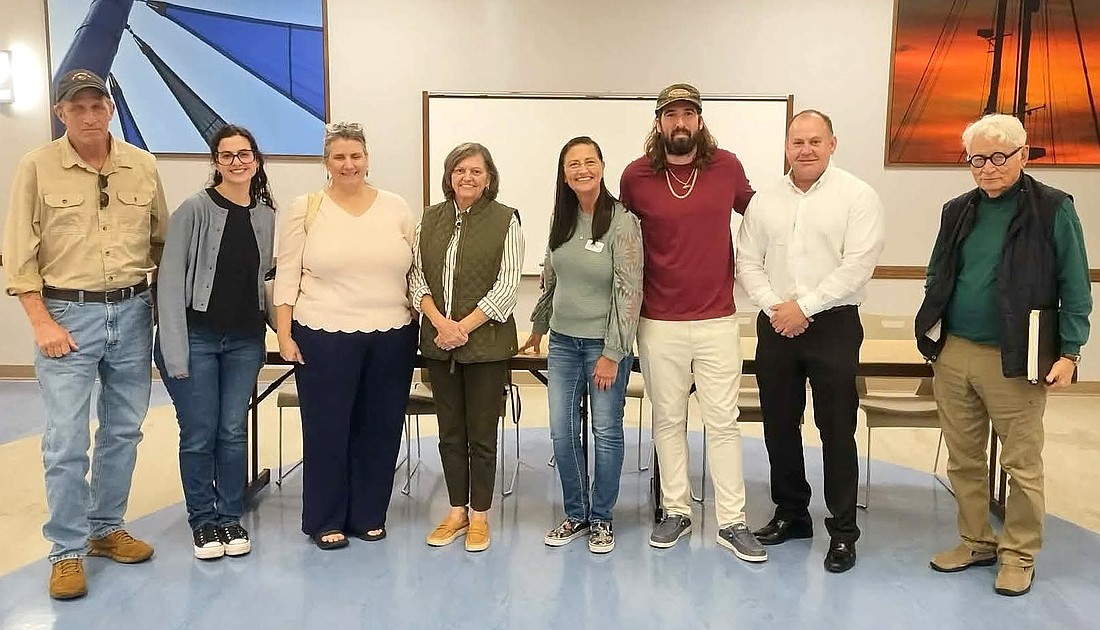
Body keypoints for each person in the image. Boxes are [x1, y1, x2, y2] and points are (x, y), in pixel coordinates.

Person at [3, 69, 167, 599]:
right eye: (78, 108)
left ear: (111, 108)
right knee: (67, 441)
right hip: (66, 318)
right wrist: (40, 320)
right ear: (61, 113)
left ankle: (105, 528)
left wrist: (163, 310)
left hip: (133, 313)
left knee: (124, 431)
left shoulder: (141, 166)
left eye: (98, 105)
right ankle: (67, 550)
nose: (90, 115)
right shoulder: (37, 167)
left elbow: (162, 243)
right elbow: (18, 253)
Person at [915, 113, 1091, 596]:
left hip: (1017, 359)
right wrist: (934, 334)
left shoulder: (1053, 209)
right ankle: (975, 541)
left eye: (998, 157)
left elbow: (1075, 284)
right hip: (954, 353)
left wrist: (1070, 351)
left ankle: (1018, 554)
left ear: (1022, 152)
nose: (987, 168)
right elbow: (938, 272)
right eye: (976, 159)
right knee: (963, 459)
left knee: (1020, 464)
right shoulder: (957, 210)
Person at [618, 83, 765, 562]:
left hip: (718, 319)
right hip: (657, 321)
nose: (679, 123)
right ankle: (676, 510)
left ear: (699, 121)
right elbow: (622, 242)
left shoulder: (727, 167)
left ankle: (732, 521)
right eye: (671, 115)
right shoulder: (635, 177)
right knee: (668, 420)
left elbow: (764, 219)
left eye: (688, 114)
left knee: (723, 422)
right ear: (659, 123)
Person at [735, 109, 885, 574]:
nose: (805, 149)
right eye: (797, 142)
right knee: (779, 424)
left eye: (815, 141)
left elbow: (857, 265)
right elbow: (747, 260)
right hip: (776, 323)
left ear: (832, 144)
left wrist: (806, 306)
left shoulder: (858, 196)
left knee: (835, 428)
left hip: (834, 325)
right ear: (786, 147)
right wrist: (776, 307)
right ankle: (792, 514)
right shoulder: (765, 201)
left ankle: (842, 531)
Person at [273, 122, 419, 550]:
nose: (348, 164)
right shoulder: (307, 207)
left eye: (356, 156)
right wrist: (284, 334)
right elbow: (286, 276)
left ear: (368, 159)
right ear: (327, 162)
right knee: (327, 429)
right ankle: (325, 518)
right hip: (323, 334)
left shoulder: (396, 208)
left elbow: (415, 271)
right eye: (339, 157)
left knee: (380, 428)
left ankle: (369, 513)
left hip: (392, 335)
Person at [153, 125, 275, 560]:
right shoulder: (194, 209)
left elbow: (266, 283)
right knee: (200, 433)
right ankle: (202, 522)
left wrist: (287, 333)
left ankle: (230, 519)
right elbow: (168, 282)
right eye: (227, 155)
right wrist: (174, 350)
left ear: (256, 160)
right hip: (197, 338)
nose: (237, 162)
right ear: (216, 162)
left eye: (245, 154)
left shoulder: (265, 215)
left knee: (233, 431)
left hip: (243, 341)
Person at [520, 136, 643, 554]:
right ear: (564, 172)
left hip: (604, 346)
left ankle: (602, 518)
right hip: (563, 343)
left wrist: (612, 352)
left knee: (605, 431)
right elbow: (550, 280)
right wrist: (538, 328)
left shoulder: (622, 221)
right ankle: (576, 512)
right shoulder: (563, 217)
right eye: (573, 163)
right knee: (561, 430)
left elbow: (629, 294)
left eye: (589, 161)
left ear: (602, 167)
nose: (582, 169)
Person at [410, 142, 523, 553]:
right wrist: (441, 324)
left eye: (476, 171)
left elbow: (507, 287)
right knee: (450, 434)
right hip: (440, 344)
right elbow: (416, 277)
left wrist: (464, 327)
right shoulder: (430, 219)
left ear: (488, 178)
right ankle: (456, 511)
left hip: (486, 348)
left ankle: (479, 516)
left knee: (481, 436)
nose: (467, 177)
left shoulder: (505, 220)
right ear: (449, 176)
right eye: (460, 170)